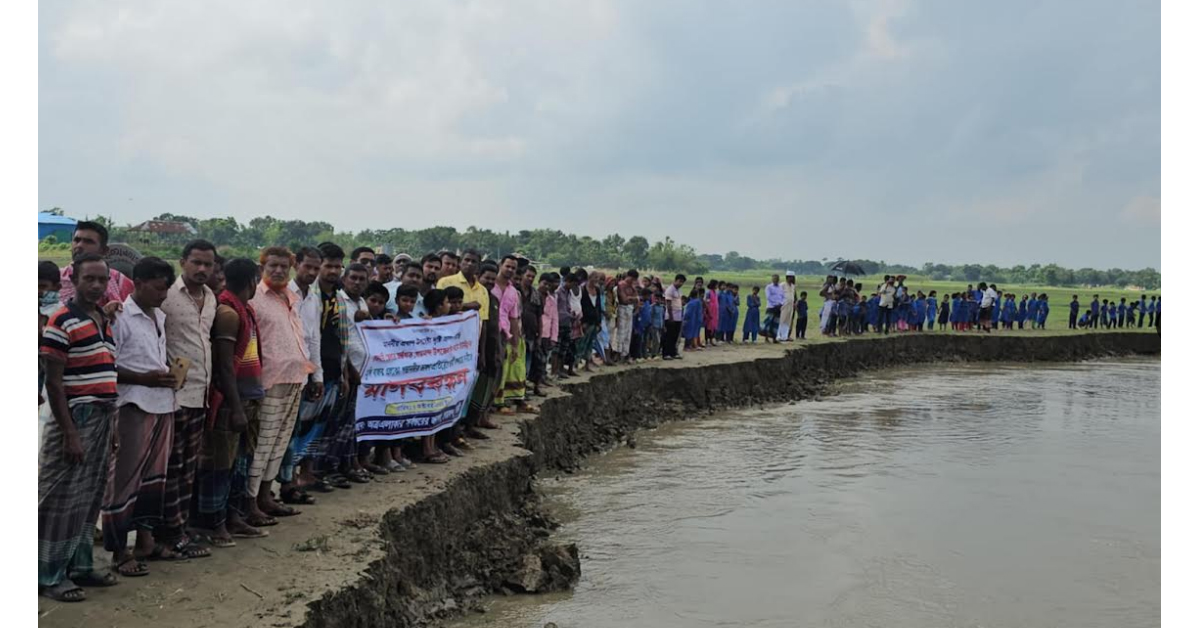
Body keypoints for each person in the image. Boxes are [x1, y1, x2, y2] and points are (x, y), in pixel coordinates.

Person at [39, 254, 122, 601]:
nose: (97, 286)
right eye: (90, 279)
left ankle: (81, 565)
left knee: (88, 497)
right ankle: (48, 574)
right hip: (76, 418)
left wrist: (112, 426)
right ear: (75, 280)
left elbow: (106, 373)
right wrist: (71, 432)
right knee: (61, 498)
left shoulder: (101, 319)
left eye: (102, 280)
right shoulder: (62, 320)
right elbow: (55, 383)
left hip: (102, 417)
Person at [102, 257, 178, 577]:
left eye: (166, 289)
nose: (164, 295)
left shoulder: (158, 315)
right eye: (159, 288)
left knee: (152, 479)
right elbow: (107, 365)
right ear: (140, 283)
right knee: (124, 481)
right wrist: (142, 378)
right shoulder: (120, 317)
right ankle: (120, 551)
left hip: (162, 404)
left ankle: (145, 540)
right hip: (133, 405)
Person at [192, 258, 269, 549]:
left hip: (248, 397)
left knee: (239, 463)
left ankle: (233, 516)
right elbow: (225, 367)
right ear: (251, 280)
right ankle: (212, 522)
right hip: (231, 401)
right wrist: (235, 407)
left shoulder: (243, 309)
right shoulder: (228, 312)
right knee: (219, 465)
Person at [151, 240, 219, 561]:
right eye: (196, 263)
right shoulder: (165, 299)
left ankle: (177, 528)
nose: (202, 269)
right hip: (172, 396)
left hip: (199, 395)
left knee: (188, 468)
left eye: (208, 264)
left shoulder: (211, 298)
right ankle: (167, 535)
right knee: (171, 468)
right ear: (182, 262)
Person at [245, 247, 310, 525]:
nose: (279, 271)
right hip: (268, 381)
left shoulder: (290, 298)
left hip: (295, 378)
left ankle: (265, 496)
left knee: (279, 443)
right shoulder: (255, 299)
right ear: (263, 267)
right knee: (261, 445)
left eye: (284, 266)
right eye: (273, 265)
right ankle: (250, 501)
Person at [57, 221, 135, 307]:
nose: (79, 245)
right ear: (74, 279)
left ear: (104, 250)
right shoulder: (56, 277)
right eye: (77, 240)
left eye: (88, 242)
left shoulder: (117, 279)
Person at [662, 274, 686, 359]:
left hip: (678, 317)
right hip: (671, 316)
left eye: (682, 282)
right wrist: (671, 316)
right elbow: (668, 304)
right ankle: (666, 353)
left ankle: (673, 352)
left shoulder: (678, 290)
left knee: (675, 336)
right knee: (669, 336)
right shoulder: (670, 290)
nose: (681, 283)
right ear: (675, 280)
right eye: (680, 281)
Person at [763, 275, 783, 342]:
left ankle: (774, 338)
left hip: (779, 307)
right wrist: (775, 304)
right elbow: (768, 297)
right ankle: (766, 338)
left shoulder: (780, 287)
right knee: (768, 322)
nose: (775, 280)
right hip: (771, 307)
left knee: (776, 323)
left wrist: (780, 304)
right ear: (772, 279)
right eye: (774, 279)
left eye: (777, 279)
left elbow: (783, 297)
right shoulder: (769, 287)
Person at [778, 272, 797, 341]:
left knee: (788, 321)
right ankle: (778, 335)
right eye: (791, 277)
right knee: (782, 320)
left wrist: (795, 303)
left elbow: (794, 295)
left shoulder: (793, 286)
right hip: (784, 305)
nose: (792, 279)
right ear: (787, 277)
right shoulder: (782, 285)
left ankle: (785, 336)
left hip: (790, 305)